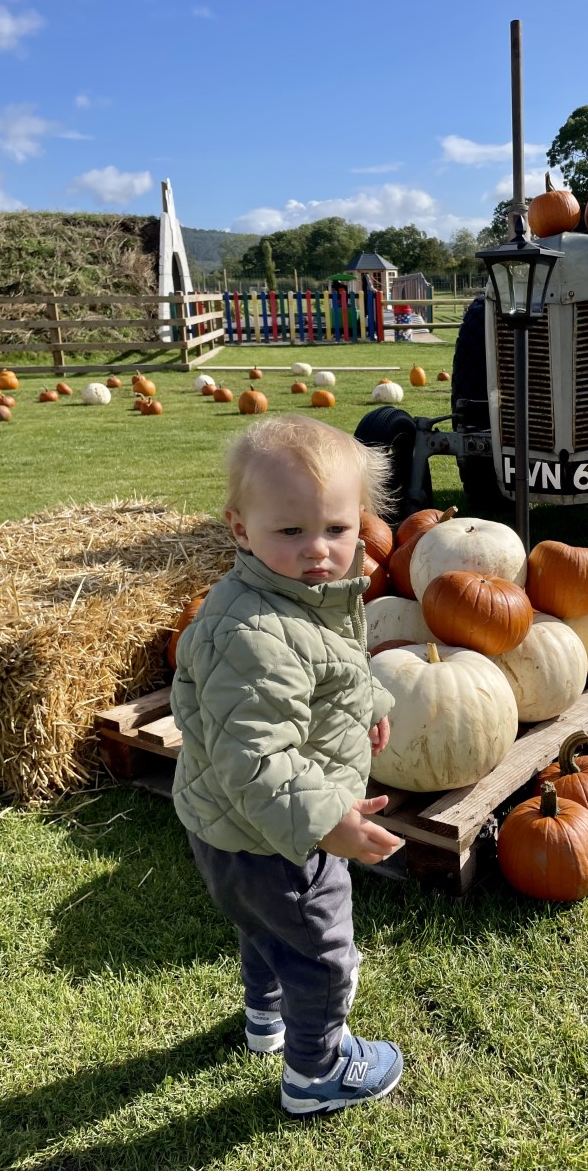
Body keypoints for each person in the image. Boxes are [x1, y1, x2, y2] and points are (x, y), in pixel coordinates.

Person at [170, 415, 404, 1117]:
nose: (319, 551)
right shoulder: (256, 635)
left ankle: (266, 1020)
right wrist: (327, 820)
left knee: (265, 930)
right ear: (241, 529)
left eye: (336, 529)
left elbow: (330, 667)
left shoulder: (286, 601)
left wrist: (371, 701)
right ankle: (317, 1072)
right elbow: (258, 758)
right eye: (291, 532)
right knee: (322, 950)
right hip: (275, 837)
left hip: (233, 833)